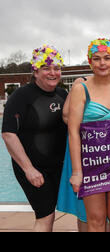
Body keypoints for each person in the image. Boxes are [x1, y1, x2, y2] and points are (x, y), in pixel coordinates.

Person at [56, 49, 110, 232]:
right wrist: (77, 172)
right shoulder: (81, 88)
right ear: (90, 62)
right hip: (92, 162)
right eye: (96, 59)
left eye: (107, 58)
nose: (102, 63)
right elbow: (73, 131)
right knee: (95, 219)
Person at [2, 45, 67, 231]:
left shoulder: (63, 95)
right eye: (46, 68)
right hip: (33, 168)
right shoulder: (21, 96)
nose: (53, 73)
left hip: (59, 167)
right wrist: (29, 169)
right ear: (36, 71)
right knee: (45, 216)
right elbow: (8, 134)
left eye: (57, 68)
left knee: (51, 214)